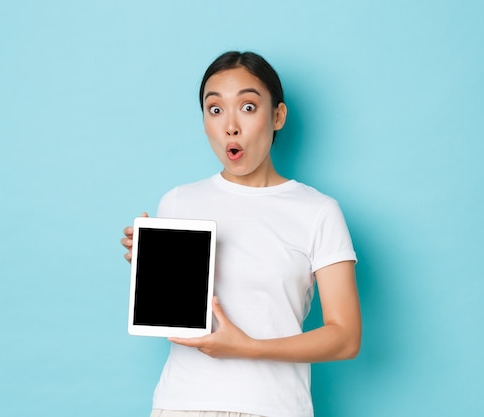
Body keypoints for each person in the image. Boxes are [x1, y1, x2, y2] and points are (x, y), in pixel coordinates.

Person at [121, 51, 361, 417]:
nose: (230, 125)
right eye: (215, 110)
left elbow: (345, 337)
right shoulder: (179, 201)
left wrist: (248, 347)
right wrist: (153, 269)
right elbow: (173, 317)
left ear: (277, 116)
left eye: (248, 107)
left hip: (275, 408)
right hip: (181, 404)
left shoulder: (318, 211)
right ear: (204, 122)